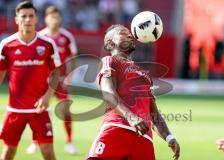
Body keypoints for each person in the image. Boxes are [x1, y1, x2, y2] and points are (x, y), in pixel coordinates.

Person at [86, 24, 180, 160]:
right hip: (117, 128)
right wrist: (131, 117)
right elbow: (108, 92)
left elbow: (154, 114)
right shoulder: (110, 61)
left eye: (129, 33)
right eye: (123, 33)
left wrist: (169, 137)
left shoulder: (145, 74)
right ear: (110, 43)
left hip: (144, 138)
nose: (130, 35)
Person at [0, 1, 61, 160]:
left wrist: (47, 96)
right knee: (8, 153)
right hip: (15, 110)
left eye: (31, 16)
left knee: (48, 152)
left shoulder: (47, 44)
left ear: (36, 19)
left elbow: (56, 73)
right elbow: (0, 72)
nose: (27, 19)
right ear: (16, 19)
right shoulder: (6, 45)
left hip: (39, 110)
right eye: (24, 16)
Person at [26, 5, 78, 155]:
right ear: (46, 19)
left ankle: (69, 142)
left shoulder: (67, 37)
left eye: (56, 16)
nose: (54, 19)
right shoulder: (39, 36)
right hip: (42, 80)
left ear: (60, 18)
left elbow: (72, 59)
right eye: (51, 16)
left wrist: (70, 77)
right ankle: (34, 142)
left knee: (65, 110)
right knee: (37, 111)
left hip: (60, 80)